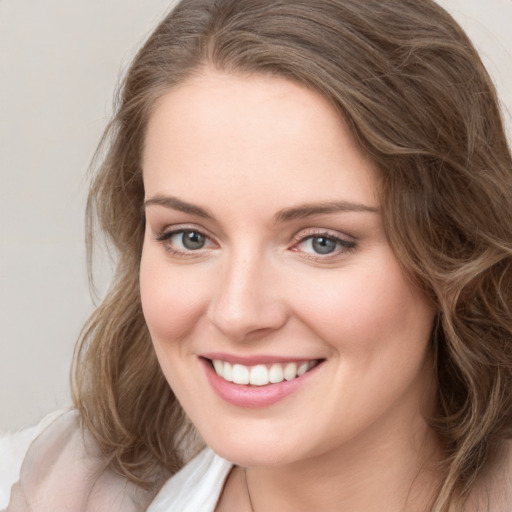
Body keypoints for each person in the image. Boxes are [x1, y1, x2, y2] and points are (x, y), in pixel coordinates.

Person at [3, 0, 512, 510]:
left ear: (456, 254)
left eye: (321, 242)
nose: (237, 313)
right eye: (190, 237)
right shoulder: (54, 489)